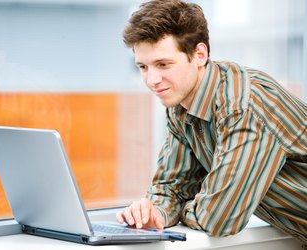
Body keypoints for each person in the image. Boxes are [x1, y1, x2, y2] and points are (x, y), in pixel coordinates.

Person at [116, 0, 307, 244]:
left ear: (199, 55)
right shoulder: (180, 107)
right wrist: (155, 213)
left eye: (164, 65)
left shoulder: (243, 106)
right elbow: (171, 188)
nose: (152, 79)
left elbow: (220, 218)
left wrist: (183, 208)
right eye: (143, 67)